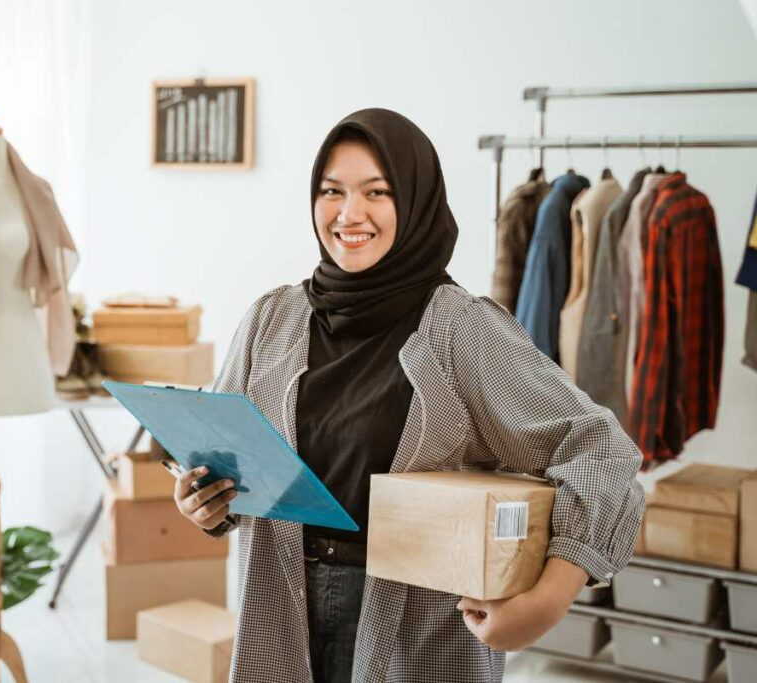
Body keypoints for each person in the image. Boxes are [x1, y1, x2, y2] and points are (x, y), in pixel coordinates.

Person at [173, 108, 644, 683]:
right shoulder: (272, 318)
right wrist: (205, 503)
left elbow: (604, 454)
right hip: (279, 606)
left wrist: (545, 602)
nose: (349, 214)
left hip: (413, 628)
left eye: (377, 192)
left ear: (416, 201)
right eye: (332, 191)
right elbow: (227, 462)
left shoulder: (458, 329)